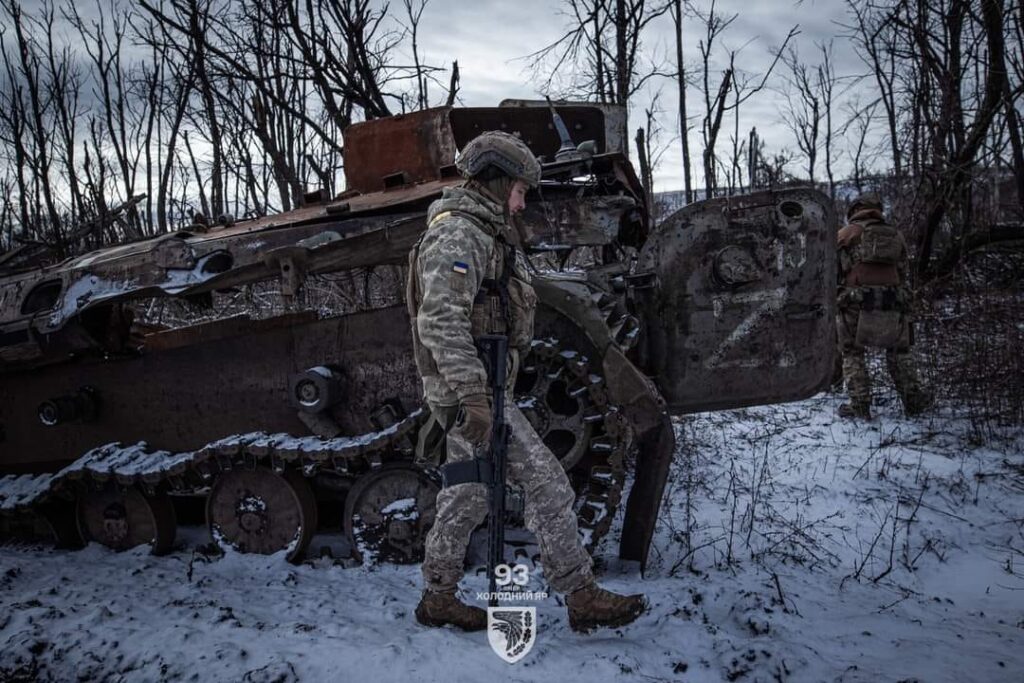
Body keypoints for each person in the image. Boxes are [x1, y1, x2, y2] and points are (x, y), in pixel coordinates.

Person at [406, 130, 646, 633]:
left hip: (481, 391)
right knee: (547, 483)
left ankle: (438, 598)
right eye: (518, 189)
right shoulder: (459, 234)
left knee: (466, 495)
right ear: (495, 182)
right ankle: (579, 594)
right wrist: (473, 396)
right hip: (473, 395)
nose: (521, 202)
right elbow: (441, 321)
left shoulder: (484, 232)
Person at [836, 193, 932, 419]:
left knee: (852, 353)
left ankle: (859, 405)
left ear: (854, 211)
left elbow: (831, 268)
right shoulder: (896, 234)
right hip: (892, 301)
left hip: (854, 302)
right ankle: (914, 401)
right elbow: (903, 271)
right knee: (899, 352)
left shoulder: (846, 234)